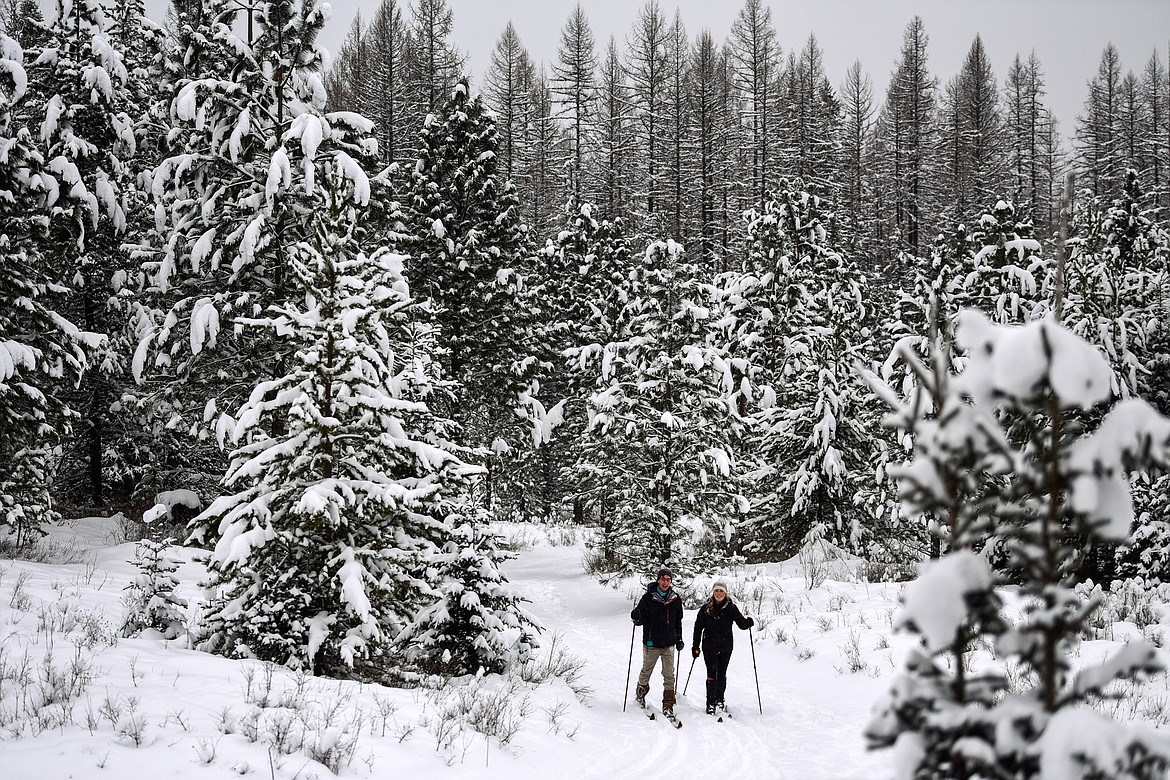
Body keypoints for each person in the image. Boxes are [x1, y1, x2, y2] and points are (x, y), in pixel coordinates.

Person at [691, 580, 754, 715]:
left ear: (725, 593)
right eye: (716, 591)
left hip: (726, 647)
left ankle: (719, 699)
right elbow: (698, 628)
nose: (719, 593)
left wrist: (748, 623)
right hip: (709, 646)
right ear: (713, 593)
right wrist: (695, 646)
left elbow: (741, 623)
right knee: (712, 674)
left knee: (722, 674)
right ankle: (710, 702)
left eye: (721, 591)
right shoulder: (705, 608)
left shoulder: (731, 608)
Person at [630, 568, 684, 717]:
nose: (665, 582)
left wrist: (679, 638)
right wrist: (636, 616)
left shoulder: (675, 599)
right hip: (651, 642)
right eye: (663, 579)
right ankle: (640, 694)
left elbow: (678, 621)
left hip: (669, 643)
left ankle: (668, 704)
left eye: (668, 580)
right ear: (658, 580)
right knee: (646, 670)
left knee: (669, 675)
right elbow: (639, 620)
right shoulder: (648, 598)